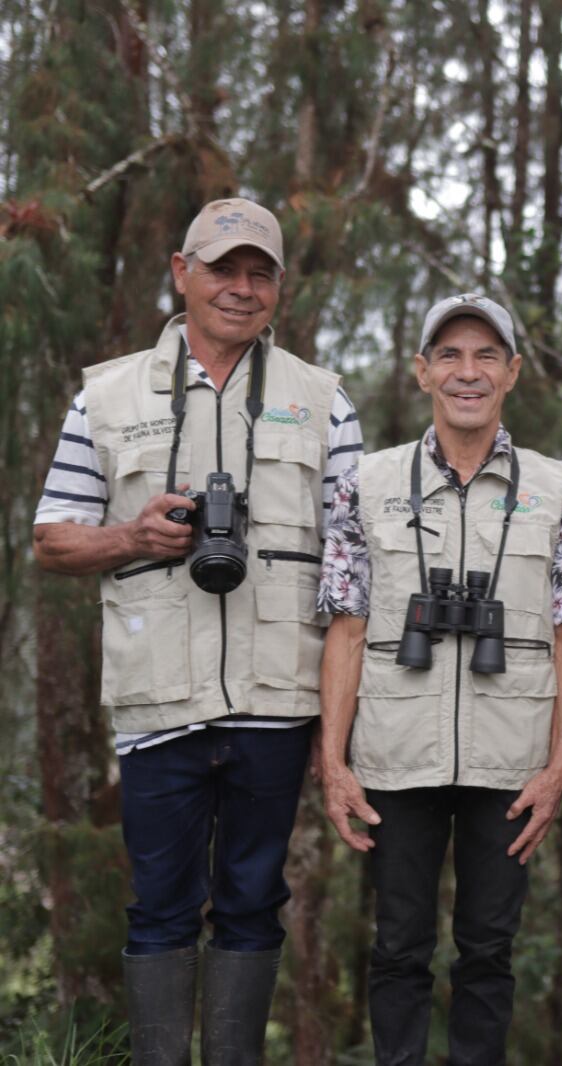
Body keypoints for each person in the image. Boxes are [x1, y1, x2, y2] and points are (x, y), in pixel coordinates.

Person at [32, 198, 362, 1064]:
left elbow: (354, 568)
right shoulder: (104, 395)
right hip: (156, 699)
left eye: (260, 273)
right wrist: (133, 537)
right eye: (223, 270)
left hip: (275, 699)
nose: (241, 290)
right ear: (183, 273)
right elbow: (51, 538)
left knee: (254, 902)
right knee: (160, 907)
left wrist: (339, 729)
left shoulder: (324, 400)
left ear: (279, 289)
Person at [316, 293, 562, 1065]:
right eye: (450, 356)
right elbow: (346, 624)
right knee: (398, 945)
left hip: (512, 758)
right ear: (422, 371)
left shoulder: (555, 485)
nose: (467, 373)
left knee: (488, 951)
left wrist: (560, 761)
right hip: (397, 751)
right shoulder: (367, 482)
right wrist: (333, 762)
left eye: (485, 357)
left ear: (512, 373)